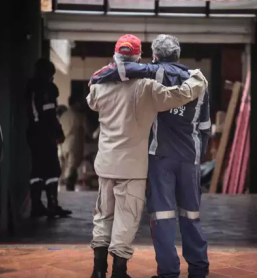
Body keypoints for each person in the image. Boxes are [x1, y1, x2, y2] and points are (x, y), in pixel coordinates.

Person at [89, 34, 210, 278]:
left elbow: (95, 95)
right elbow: (190, 109)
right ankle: (195, 269)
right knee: (136, 217)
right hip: (156, 162)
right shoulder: (151, 86)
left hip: (124, 161)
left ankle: (102, 270)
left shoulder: (108, 84)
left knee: (110, 215)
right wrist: (198, 81)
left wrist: (102, 74)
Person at [25, 58, 72, 218]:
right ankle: (52, 204)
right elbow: (50, 113)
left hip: (32, 133)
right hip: (45, 134)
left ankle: (36, 205)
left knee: (37, 170)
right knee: (53, 170)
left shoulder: (30, 88)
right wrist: (58, 131)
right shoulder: (47, 89)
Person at [58, 94, 88, 191]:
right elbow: (87, 131)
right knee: (71, 169)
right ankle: (69, 187)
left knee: (66, 167)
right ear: (75, 104)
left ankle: (65, 187)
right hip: (74, 145)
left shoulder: (63, 116)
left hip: (63, 145)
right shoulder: (79, 116)